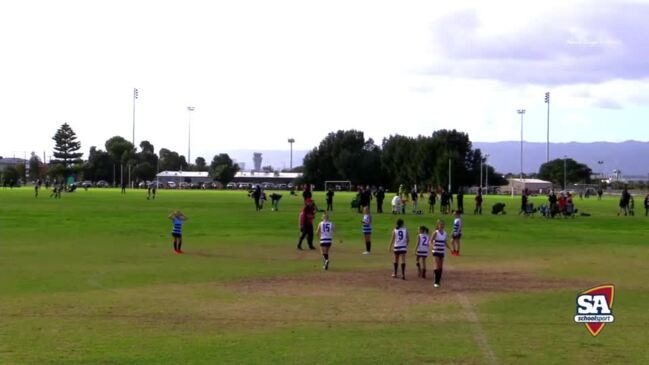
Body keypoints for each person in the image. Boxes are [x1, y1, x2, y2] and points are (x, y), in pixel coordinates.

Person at [431, 219, 451, 288]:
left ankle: (438, 281)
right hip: (436, 251)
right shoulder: (435, 233)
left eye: (443, 224)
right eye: (440, 224)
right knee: (437, 266)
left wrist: (450, 248)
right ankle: (436, 282)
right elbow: (430, 241)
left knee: (440, 267)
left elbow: (445, 242)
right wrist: (433, 247)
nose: (442, 226)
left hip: (442, 251)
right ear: (438, 225)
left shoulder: (445, 233)